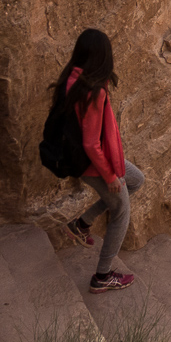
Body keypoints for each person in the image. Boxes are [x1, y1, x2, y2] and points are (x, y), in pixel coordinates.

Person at [52, 28, 143, 293]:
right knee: (121, 213)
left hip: (86, 160)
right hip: (95, 164)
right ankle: (103, 276)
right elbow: (91, 143)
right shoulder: (94, 92)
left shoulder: (71, 78)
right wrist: (110, 176)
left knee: (136, 179)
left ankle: (81, 223)